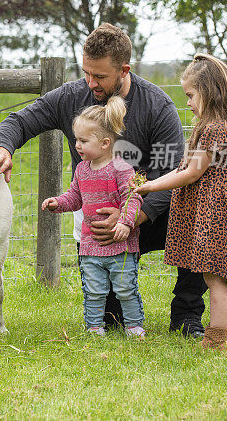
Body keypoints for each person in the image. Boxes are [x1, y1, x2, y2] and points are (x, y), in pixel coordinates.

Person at [0, 23, 208, 337]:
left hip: (146, 213)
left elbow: (173, 174)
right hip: (100, 223)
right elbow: (20, 120)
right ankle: (112, 309)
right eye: (86, 72)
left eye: (100, 76)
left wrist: (130, 218)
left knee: (194, 215)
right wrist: (4, 148)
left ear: (124, 70)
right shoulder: (71, 96)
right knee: (110, 321)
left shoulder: (157, 106)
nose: (91, 82)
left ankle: (187, 316)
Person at [135, 53, 227, 351]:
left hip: (213, 211)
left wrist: (150, 185)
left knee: (215, 279)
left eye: (190, 95)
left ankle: (215, 340)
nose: (187, 102)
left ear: (209, 92)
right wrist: (151, 184)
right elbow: (184, 169)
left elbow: (190, 173)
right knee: (213, 277)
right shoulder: (214, 125)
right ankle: (218, 334)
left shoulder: (215, 128)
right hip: (209, 207)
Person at [41, 96, 146, 338]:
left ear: (105, 143)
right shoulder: (81, 170)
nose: (77, 145)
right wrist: (58, 203)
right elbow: (75, 198)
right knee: (94, 290)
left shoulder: (121, 168)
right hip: (90, 245)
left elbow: (133, 198)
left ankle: (133, 326)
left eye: (83, 141)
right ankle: (95, 327)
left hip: (120, 245)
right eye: (76, 139)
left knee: (125, 288)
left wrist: (125, 222)